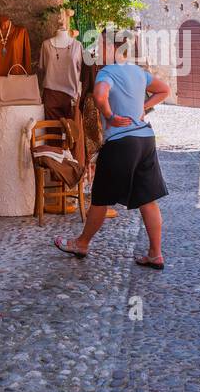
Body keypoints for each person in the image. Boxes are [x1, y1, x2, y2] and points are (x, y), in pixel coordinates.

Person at [53, 36, 171, 269]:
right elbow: (164, 90)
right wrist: (142, 109)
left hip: (121, 143)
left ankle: (82, 243)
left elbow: (99, 95)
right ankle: (155, 254)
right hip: (145, 140)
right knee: (147, 199)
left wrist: (110, 116)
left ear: (113, 48)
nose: (97, 50)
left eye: (101, 45)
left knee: (100, 199)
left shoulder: (106, 72)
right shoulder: (137, 72)